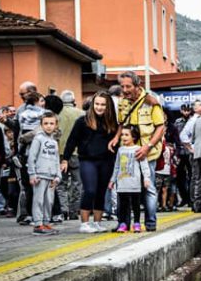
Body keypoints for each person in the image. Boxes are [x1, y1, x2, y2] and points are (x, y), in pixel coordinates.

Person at [112, 71, 166, 232]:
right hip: (128, 154)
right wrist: (116, 138)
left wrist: (147, 146)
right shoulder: (123, 102)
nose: (125, 89)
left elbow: (160, 126)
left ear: (137, 86)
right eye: (122, 86)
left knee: (148, 188)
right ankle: (124, 223)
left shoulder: (151, 102)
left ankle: (150, 223)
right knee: (123, 187)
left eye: (128, 86)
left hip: (147, 153)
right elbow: (121, 123)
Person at [62, 92, 118, 234]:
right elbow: (71, 140)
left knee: (101, 191)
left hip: (106, 160)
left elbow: (116, 142)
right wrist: (65, 159)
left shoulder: (112, 123)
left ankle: (97, 223)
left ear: (108, 106)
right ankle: (85, 223)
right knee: (90, 190)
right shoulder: (82, 121)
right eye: (97, 104)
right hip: (87, 160)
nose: (99, 107)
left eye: (103, 104)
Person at [109, 125, 149, 233]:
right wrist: (112, 180)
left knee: (136, 204)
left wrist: (146, 178)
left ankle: (136, 223)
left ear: (134, 137)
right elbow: (117, 166)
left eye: (127, 135)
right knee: (123, 205)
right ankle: (123, 223)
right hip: (122, 183)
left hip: (135, 184)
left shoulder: (138, 149)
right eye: (122, 134)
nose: (123, 137)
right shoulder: (120, 150)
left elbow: (144, 165)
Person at [28, 111, 61, 235]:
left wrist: (58, 176)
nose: (48, 126)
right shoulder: (38, 139)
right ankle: (38, 224)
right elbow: (32, 157)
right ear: (41, 125)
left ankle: (46, 223)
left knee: (49, 201)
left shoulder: (54, 141)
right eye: (45, 123)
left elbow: (57, 159)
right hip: (40, 176)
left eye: (51, 123)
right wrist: (32, 174)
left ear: (56, 125)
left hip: (51, 176)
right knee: (39, 200)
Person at [57, 90, 84, 221]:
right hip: (77, 153)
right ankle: (74, 211)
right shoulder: (81, 114)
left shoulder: (57, 114)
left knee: (61, 183)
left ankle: (63, 210)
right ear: (74, 101)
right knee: (77, 183)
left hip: (60, 153)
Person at [173, 104, 192, 207]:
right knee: (180, 177)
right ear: (181, 111)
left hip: (190, 151)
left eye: (188, 110)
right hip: (180, 152)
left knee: (192, 176)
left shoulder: (193, 121)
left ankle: (191, 198)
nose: (186, 112)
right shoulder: (177, 122)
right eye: (184, 110)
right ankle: (184, 198)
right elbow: (176, 137)